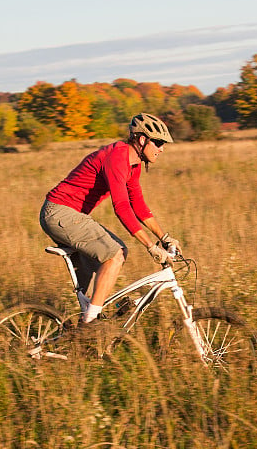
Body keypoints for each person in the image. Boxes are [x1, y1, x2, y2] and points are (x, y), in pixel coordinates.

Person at [39, 113, 182, 330]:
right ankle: (89, 325)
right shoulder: (117, 158)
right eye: (159, 142)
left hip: (68, 215)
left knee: (98, 278)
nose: (162, 149)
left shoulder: (133, 165)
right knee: (115, 255)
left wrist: (164, 238)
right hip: (60, 213)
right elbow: (122, 208)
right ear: (142, 140)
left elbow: (138, 206)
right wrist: (150, 246)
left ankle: (80, 333)